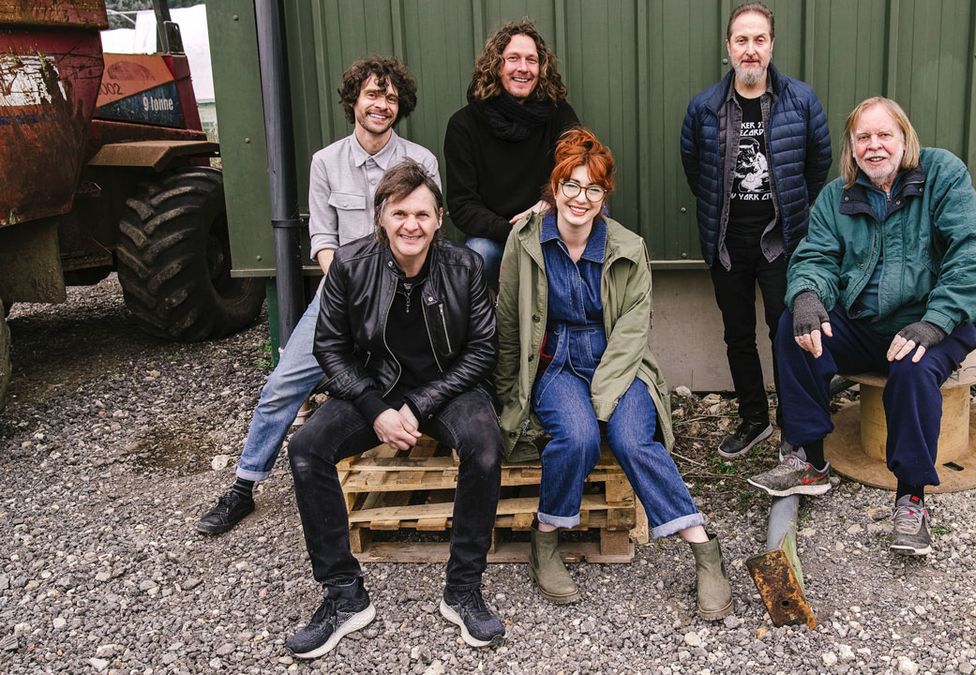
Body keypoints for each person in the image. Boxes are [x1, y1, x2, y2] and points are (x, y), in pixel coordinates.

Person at [494, 129, 733, 621]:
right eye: (571, 185)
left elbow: (632, 330)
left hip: (619, 363)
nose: (581, 198)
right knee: (578, 437)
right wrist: (506, 396)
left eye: (593, 188)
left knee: (632, 440)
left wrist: (604, 398)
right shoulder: (526, 242)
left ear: (605, 195)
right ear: (554, 188)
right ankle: (545, 540)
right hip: (556, 362)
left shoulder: (628, 247)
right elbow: (508, 320)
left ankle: (705, 552)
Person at [196, 57, 440, 535]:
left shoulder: (421, 162)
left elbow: (426, 234)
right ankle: (243, 486)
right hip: (340, 294)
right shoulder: (326, 162)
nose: (381, 105)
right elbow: (323, 241)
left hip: (406, 296)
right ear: (354, 100)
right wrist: (350, 289)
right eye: (373, 94)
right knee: (282, 385)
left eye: (390, 98)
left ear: (400, 107)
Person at [749, 97, 976, 557]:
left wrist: (935, 322)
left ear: (905, 139)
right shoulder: (837, 196)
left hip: (932, 321)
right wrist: (806, 296)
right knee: (793, 329)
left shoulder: (942, 174)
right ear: (852, 147)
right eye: (863, 137)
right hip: (864, 323)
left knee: (913, 369)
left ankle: (911, 498)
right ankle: (809, 460)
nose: (874, 146)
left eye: (885, 135)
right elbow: (816, 258)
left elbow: (972, 258)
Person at [284, 161, 505, 658]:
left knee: (486, 447)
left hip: (446, 388)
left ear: (439, 218)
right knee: (306, 448)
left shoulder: (465, 266)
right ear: (381, 216)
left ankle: (463, 589)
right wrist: (375, 408)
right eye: (400, 212)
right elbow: (330, 347)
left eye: (422, 214)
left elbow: (482, 349)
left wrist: (423, 401)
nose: (412, 224)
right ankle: (343, 596)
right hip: (374, 388)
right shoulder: (349, 263)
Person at [680, 2, 832, 461]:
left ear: (771, 46)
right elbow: (695, 169)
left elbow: (817, 165)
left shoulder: (800, 101)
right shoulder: (704, 108)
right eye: (741, 40)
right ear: (728, 48)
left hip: (781, 240)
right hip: (726, 241)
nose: (750, 50)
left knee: (785, 331)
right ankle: (754, 419)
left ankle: (794, 423)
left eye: (759, 40)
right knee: (737, 334)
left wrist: (789, 215)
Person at [444, 18, 579, 288]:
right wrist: (513, 232)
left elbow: (580, 168)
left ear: (542, 68)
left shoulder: (558, 113)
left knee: (597, 213)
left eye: (531, 60)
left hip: (553, 223)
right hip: (496, 234)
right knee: (478, 255)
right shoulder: (464, 125)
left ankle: (582, 319)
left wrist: (551, 202)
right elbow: (462, 205)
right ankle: (487, 328)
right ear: (496, 66)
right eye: (513, 58)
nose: (523, 68)